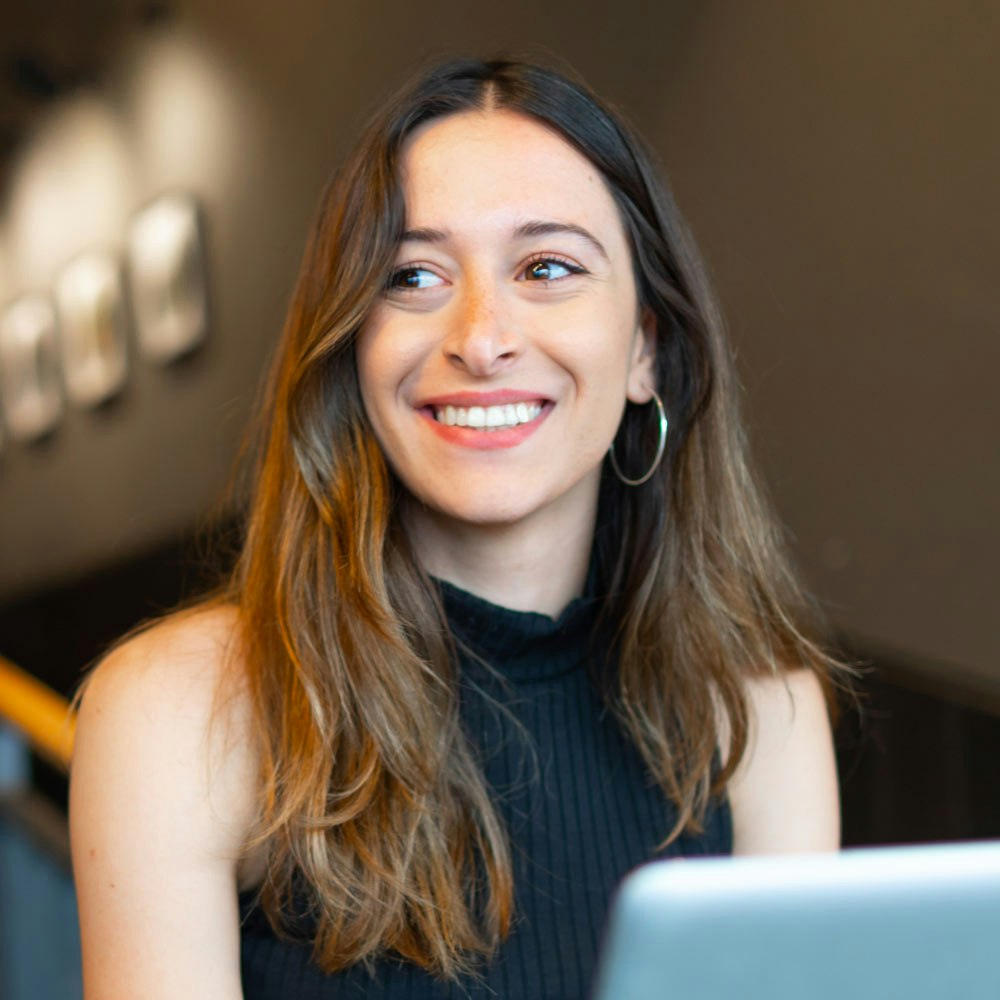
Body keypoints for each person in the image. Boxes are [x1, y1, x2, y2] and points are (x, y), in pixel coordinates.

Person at [69, 57, 843, 999]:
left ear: (645, 346)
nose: (480, 339)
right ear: (353, 346)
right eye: (413, 275)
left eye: (547, 267)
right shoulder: (181, 715)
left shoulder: (764, 714)